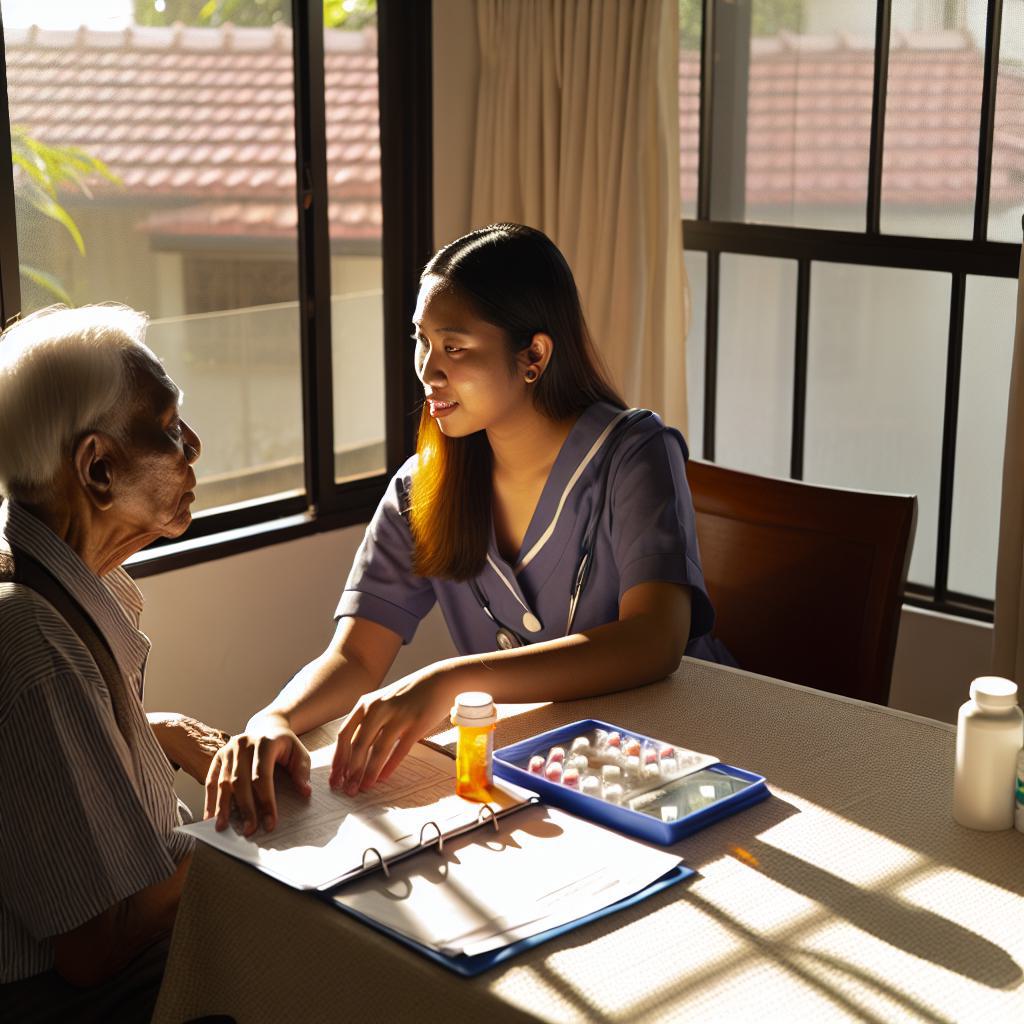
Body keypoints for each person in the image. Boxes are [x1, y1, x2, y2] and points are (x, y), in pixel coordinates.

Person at [207, 223, 727, 835]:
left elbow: (654, 641)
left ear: (533, 355)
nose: (428, 371)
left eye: (454, 348)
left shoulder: (635, 453)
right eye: (421, 342)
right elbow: (353, 655)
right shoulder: (421, 487)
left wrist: (452, 678)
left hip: (679, 751)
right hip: (538, 768)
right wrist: (275, 719)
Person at [0, 304, 228, 1023]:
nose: (193, 445)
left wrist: (151, 731)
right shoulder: (38, 645)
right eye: (166, 427)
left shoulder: (45, 583)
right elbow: (97, 949)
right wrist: (247, 841)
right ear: (97, 467)